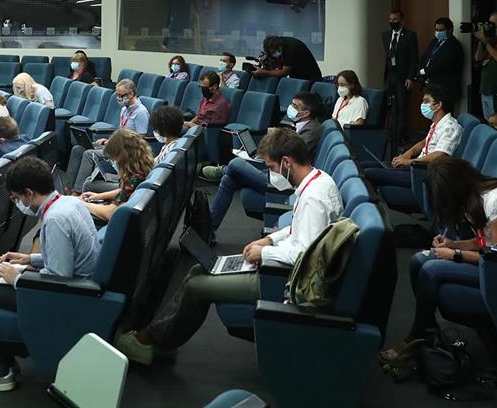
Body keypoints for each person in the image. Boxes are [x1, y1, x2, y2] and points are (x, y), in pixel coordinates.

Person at [115, 128, 343, 365]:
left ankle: (148, 342)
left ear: (287, 162)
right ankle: (161, 338)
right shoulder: (318, 180)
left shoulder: (313, 199)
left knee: (196, 286)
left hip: (282, 279)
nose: (272, 174)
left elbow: (305, 254)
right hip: (280, 266)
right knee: (198, 270)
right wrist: (270, 239)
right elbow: (303, 230)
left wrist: (264, 252)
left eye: (273, 168)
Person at [0, 156, 99, 393]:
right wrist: (29, 259)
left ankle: (1, 370)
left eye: (16, 198)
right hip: (80, 285)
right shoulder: (68, 203)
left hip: (69, 298)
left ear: (29, 193)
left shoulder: (55, 219)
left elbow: (57, 283)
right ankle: (1, 362)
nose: (17, 204)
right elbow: (66, 256)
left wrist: (17, 279)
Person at [383, 157, 497, 352]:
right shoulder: (473, 200)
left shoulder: (495, 199)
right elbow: (483, 242)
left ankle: (418, 335)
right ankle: (427, 329)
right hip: (491, 262)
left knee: (430, 270)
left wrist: (455, 253)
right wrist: (453, 244)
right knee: (418, 260)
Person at [204, 92, 324, 233]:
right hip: (276, 174)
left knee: (236, 164)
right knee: (229, 179)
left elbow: (290, 154)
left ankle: (223, 169)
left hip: (283, 183)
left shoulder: (312, 130)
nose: (290, 108)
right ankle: (209, 229)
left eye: (294, 106)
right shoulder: (302, 125)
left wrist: (275, 137)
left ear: (305, 113)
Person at [362, 83, 462, 199]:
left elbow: (439, 155)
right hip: (417, 166)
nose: (422, 105)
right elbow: (424, 142)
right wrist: (406, 155)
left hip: (426, 173)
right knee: (365, 165)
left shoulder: (450, 127)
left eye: (426, 101)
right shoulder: (437, 124)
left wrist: (410, 162)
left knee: (369, 173)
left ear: (438, 105)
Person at [65, 78, 149, 193]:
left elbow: (140, 141)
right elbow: (121, 132)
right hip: (117, 147)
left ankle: (77, 192)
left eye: (121, 95)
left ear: (131, 94)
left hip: (126, 152)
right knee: (78, 149)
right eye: (117, 95)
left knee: (89, 154)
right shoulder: (124, 109)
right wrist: (109, 140)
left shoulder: (141, 112)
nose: (119, 98)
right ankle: (68, 188)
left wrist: (112, 145)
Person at [78, 129, 155, 223]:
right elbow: (124, 191)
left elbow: (109, 213)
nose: (115, 162)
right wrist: (97, 196)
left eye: (115, 159)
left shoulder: (135, 178)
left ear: (123, 156)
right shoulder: (141, 169)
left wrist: (80, 203)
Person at [383, 10, 420, 146]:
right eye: (390, 19)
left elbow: (414, 58)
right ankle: (390, 134)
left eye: (395, 19)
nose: (392, 22)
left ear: (401, 20)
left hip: (403, 76)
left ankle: (400, 137)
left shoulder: (410, 36)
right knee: (388, 106)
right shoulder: (386, 35)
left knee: (401, 106)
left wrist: (411, 77)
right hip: (390, 76)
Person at [417, 17, 464, 107]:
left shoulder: (454, 45)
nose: (438, 32)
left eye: (441, 30)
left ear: (450, 30)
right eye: (436, 29)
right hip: (431, 86)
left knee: (443, 115)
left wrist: (423, 71)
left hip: (445, 89)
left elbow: (442, 65)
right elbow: (425, 57)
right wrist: (419, 70)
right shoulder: (435, 41)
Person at [251, 35, 322, 81]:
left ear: (280, 45)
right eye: (272, 53)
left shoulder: (292, 48)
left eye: (276, 51)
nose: (275, 53)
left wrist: (263, 72)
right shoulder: (276, 45)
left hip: (310, 77)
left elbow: (283, 72)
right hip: (296, 77)